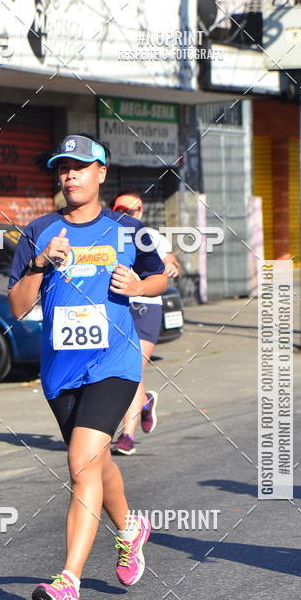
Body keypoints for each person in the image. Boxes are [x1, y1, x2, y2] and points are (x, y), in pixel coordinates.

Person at [7, 134, 169, 600]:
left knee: (81, 463)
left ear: (101, 172)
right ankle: (129, 529)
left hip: (114, 365)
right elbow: (17, 306)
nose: (70, 175)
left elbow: (162, 277)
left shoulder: (129, 229)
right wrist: (40, 264)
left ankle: (68, 583)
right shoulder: (39, 231)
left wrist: (141, 285)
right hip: (61, 373)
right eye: (63, 168)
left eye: (80, 167)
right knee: (95, 466)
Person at [109, 192, 180, 456]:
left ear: (141, 212)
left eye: (133, 211)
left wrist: (171, 267)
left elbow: (171, 262)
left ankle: (127, 435)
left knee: (133, 368)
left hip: (148, 308)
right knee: (125, 370)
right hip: (119, 308)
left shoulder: (152, 236)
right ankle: (145, 401)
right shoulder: (106, 236)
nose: (128, 216)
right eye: (122, 211)